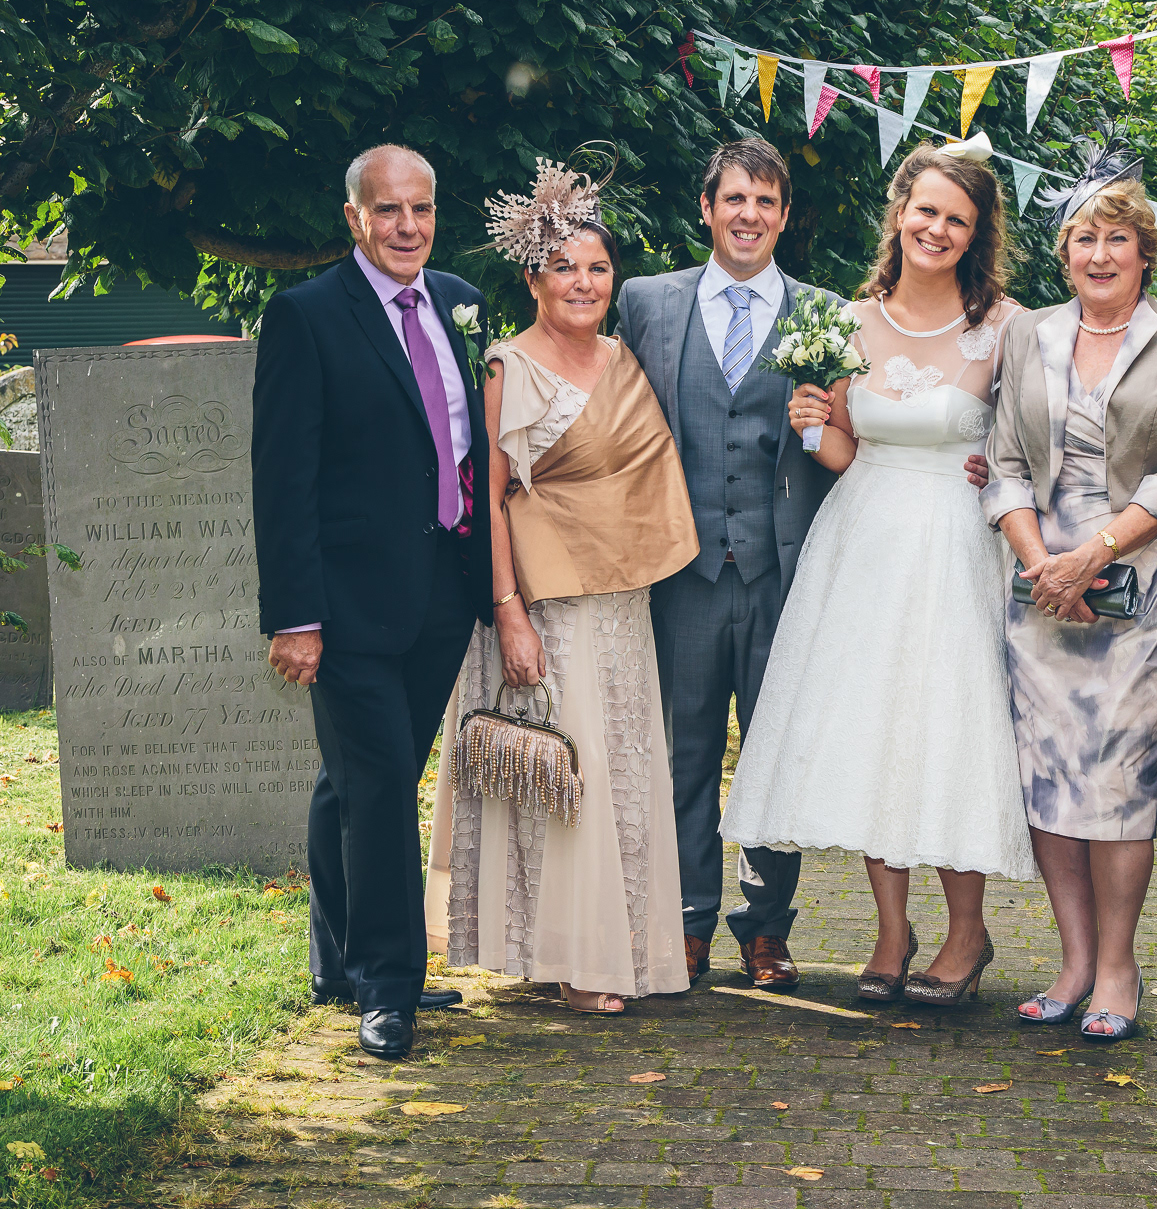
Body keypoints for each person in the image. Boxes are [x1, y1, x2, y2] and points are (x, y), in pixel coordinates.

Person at [722, 141, 1034, 1008]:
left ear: (977, 234)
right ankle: (892, 932)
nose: (937, 229)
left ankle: (967, 933)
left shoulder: (1008, 327)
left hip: (955, 543)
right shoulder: (849, 321)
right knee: (873, 729)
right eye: (926, 210)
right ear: (901, 213)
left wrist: (1002, 466)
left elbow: (1034, 438)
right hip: (861, 541)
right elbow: (844, 449)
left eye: (957, 219)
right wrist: (811, 422)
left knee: (947, 726)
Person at [429, 162, 699, 1014]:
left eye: (597, 268)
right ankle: (573, 959)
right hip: (544, 604)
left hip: (621, 598)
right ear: (533, 279)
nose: (583, 283)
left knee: (617, 771)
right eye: (564, 268)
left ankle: (611, 948)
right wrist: (508, 613)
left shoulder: (625, 359)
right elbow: (488, 502)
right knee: (562, 775)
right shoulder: (505, 367)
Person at [980, 130, 1157, 1043]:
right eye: (1085, 237)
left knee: (1118, 781)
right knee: (1048, 776)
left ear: (1145, 251)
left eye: (1118, 237)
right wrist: (1042, 564)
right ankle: (1073, 961)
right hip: (1040, 586)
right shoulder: (1027, 334)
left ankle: (1119, 968)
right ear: (1065, 252)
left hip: (1144, 590)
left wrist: (1092, 559)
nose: (1100, 254)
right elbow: (1005, 462)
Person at [252, 144, 491, 1059]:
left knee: (354, 778)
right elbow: (283, 480)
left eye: (421, 209)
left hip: (442, 594)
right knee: (383, 783)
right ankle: (390, 985)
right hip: (347, 604)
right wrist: (295, 616)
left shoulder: (461, 302)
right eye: (388, 210)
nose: (407, 226)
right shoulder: (306, 315)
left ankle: (335, 957)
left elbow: (467, 445)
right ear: (354, 217)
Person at [613, 140, 836, 991]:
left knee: (778, 756)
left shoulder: (823, 313)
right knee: (685, 755)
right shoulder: (647, 302)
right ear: (706, 208)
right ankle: (686, 919)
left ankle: (767, 927)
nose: (750, 215)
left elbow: (849, 442)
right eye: (734, 198)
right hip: (684, 572)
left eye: (766, 201)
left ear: (784, 216)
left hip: (784, 573)